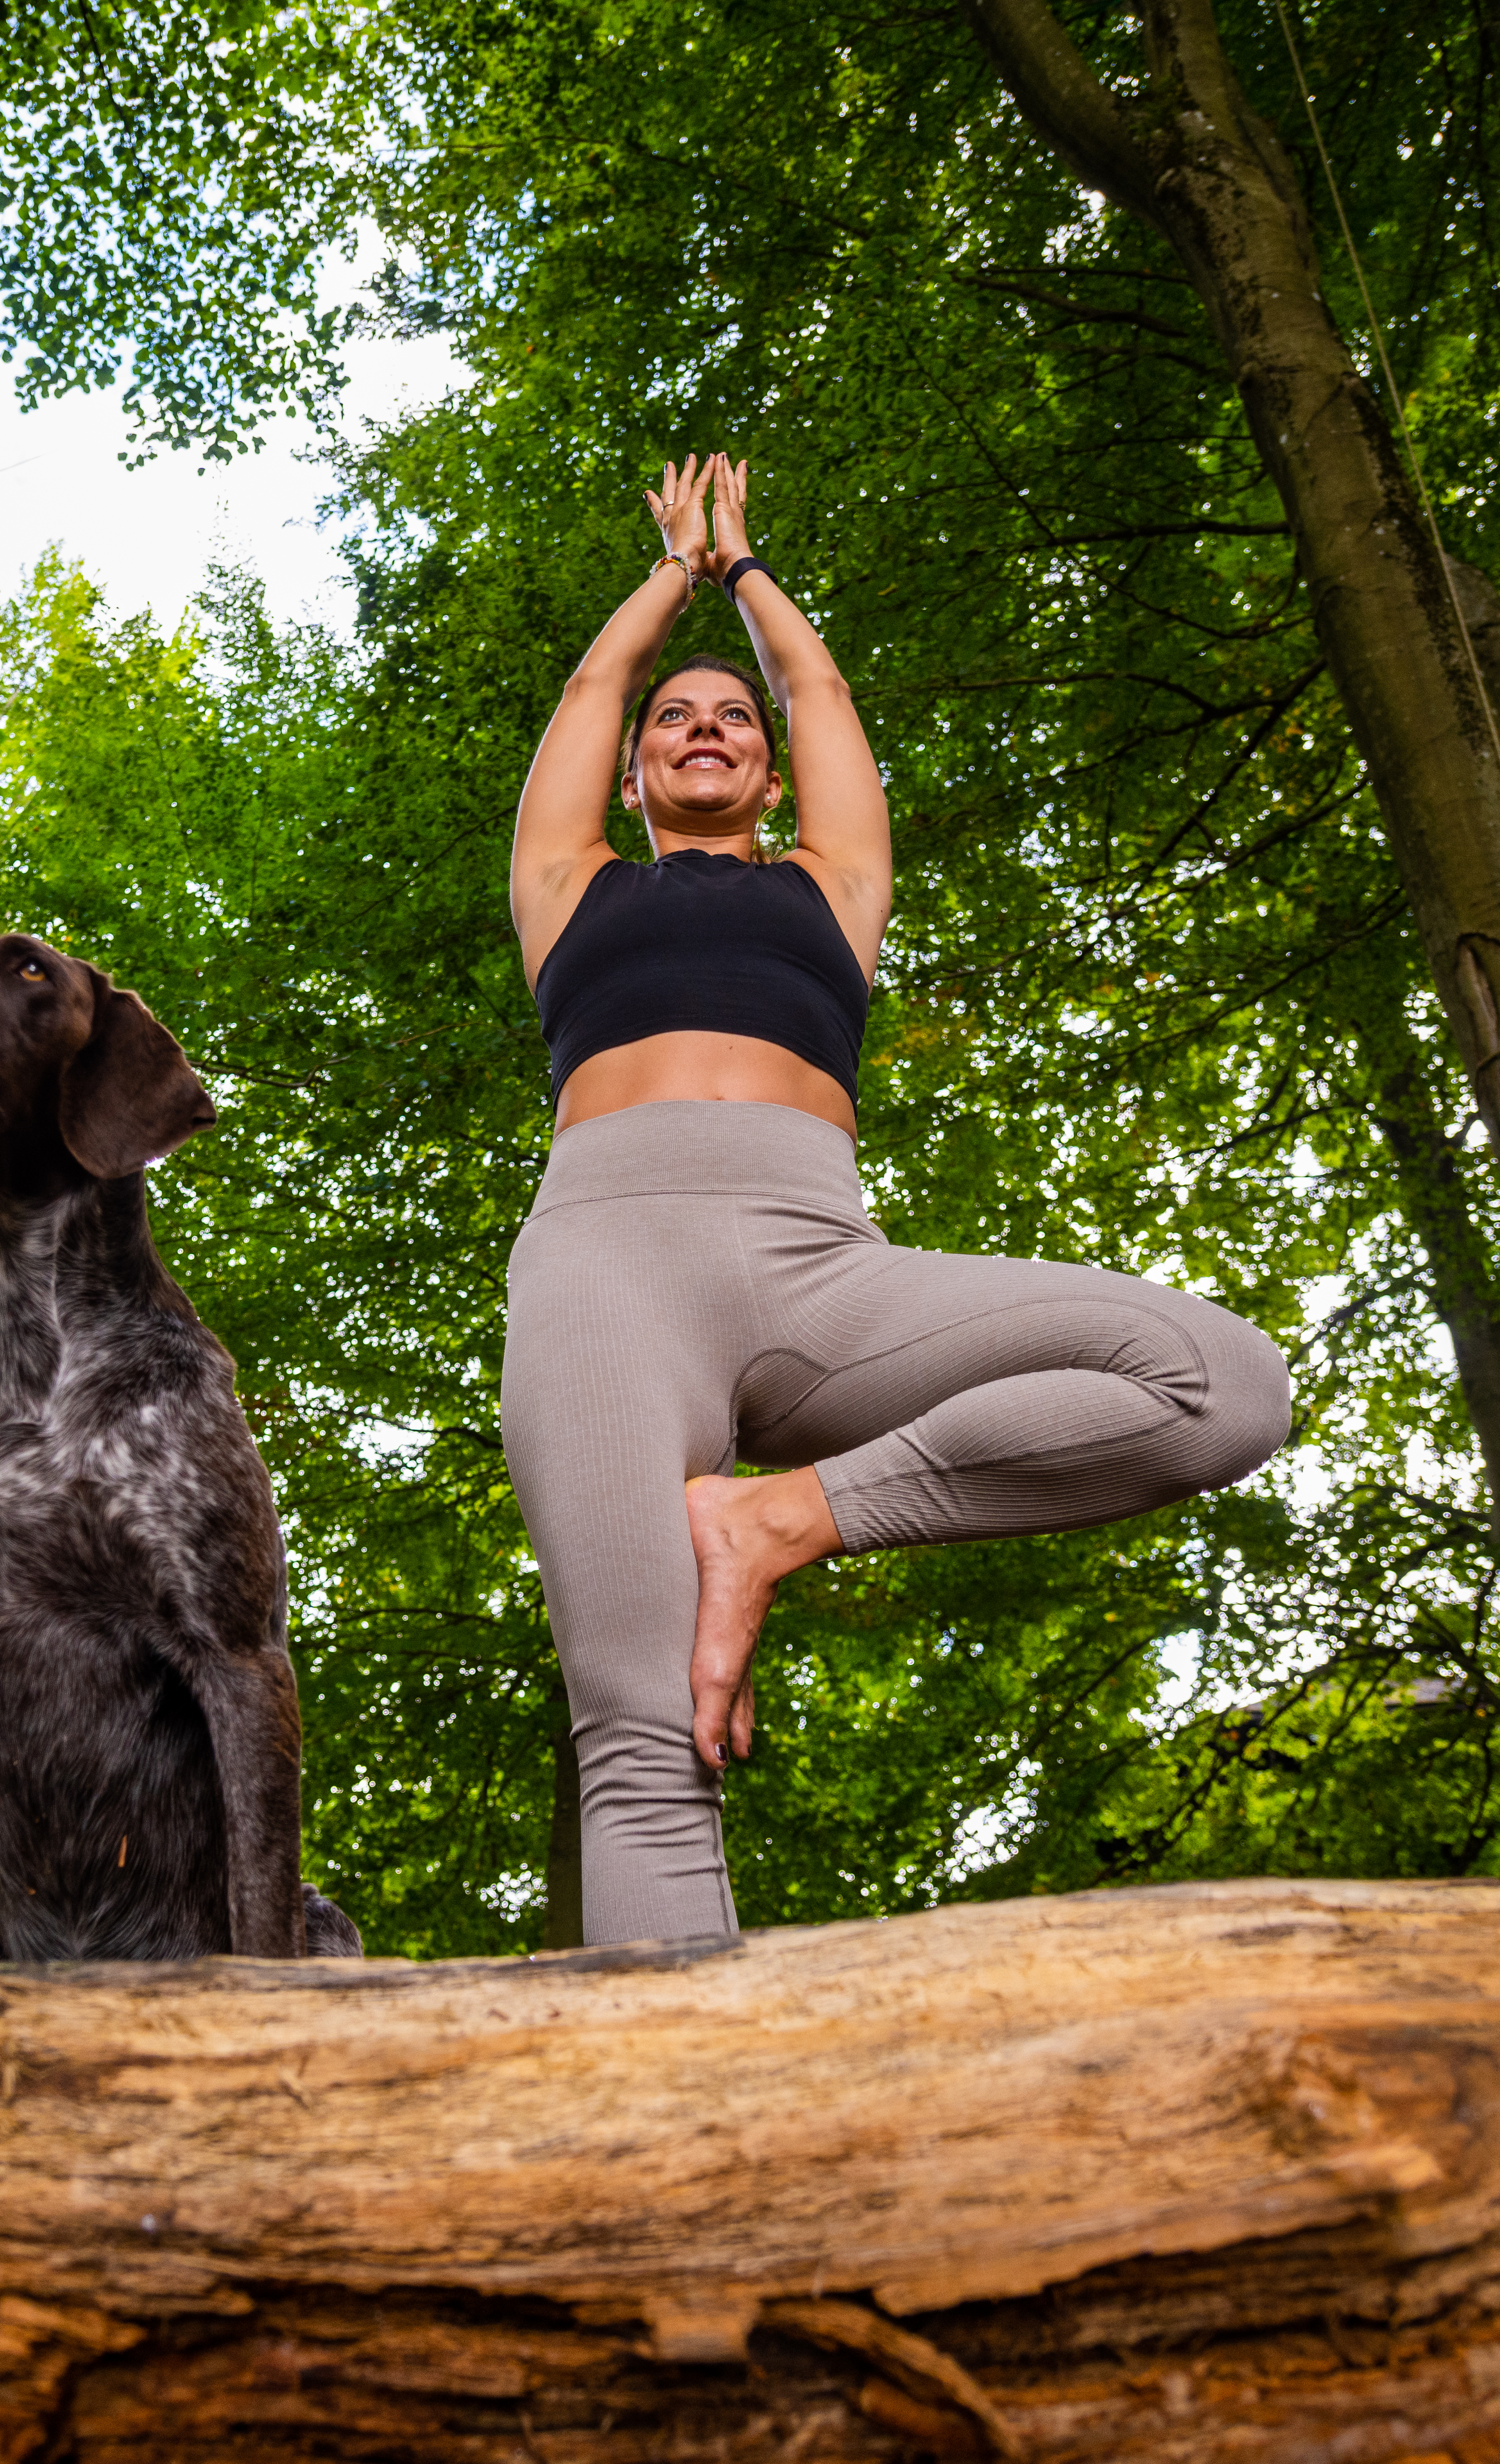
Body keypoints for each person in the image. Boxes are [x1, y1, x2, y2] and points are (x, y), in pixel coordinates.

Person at [503, 452, 1294, 1946]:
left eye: (730, 715)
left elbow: (827, 701)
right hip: (605, 1270)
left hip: (822, 1269)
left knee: (1225, 1383)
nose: (705, 726)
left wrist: (742, 572)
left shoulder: (833, 887)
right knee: (643, 1738)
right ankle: (684, 2151)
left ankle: (782, 1520)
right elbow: (587, 693)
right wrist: (667, 579)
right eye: (677, 718)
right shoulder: (571, 885)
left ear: (770, 767)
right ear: (634, 771)